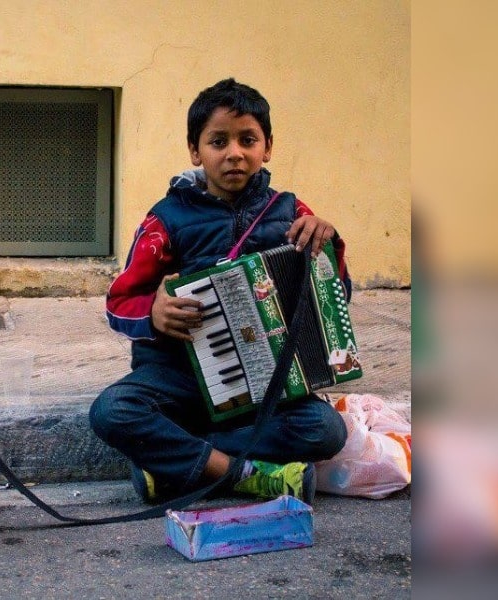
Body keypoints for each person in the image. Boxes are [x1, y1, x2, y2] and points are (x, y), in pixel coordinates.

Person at [89, 78, 350, 505]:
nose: (234, 153)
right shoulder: (166, 218)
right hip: (181, 379)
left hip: (267, 383)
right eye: (218, 141)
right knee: (111, 411)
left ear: (267, 147)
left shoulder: (292, 212)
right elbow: (120, 301)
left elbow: (332, 302)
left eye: (248, 140)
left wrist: (330, 244)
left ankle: (179, 464)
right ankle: (242, 474)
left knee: (325, 430)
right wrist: (153, 313)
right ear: (196, 150)